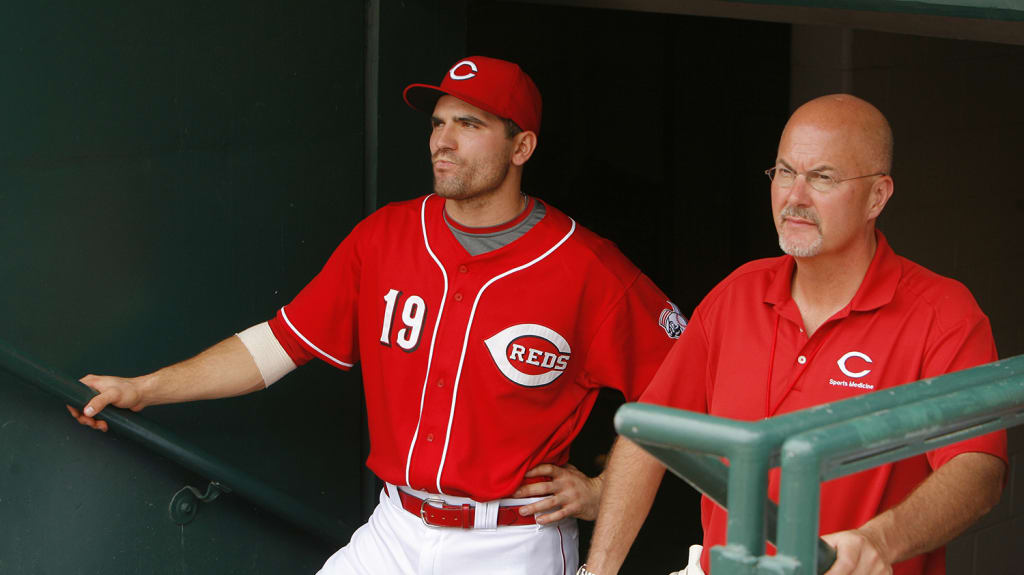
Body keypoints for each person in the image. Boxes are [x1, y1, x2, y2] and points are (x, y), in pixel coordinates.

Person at [67, 56, 683, 575]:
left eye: (469, 123)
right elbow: (279, 344)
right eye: (439, 122)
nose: (442, 139)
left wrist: (603, 493)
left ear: (522, 146)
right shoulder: (385, 236)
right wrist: (145, 389)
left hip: (511, 543)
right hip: (395, 527)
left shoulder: (588, 267)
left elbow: (680, 397)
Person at [580, 94, 1006, 575]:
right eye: (784, 173)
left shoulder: (942, 312)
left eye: (823, 177)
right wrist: (597, 571)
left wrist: (878, 542)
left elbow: (977, 469)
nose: (795, 197)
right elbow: (649, 434)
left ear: (878, 197)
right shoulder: (737, 293)